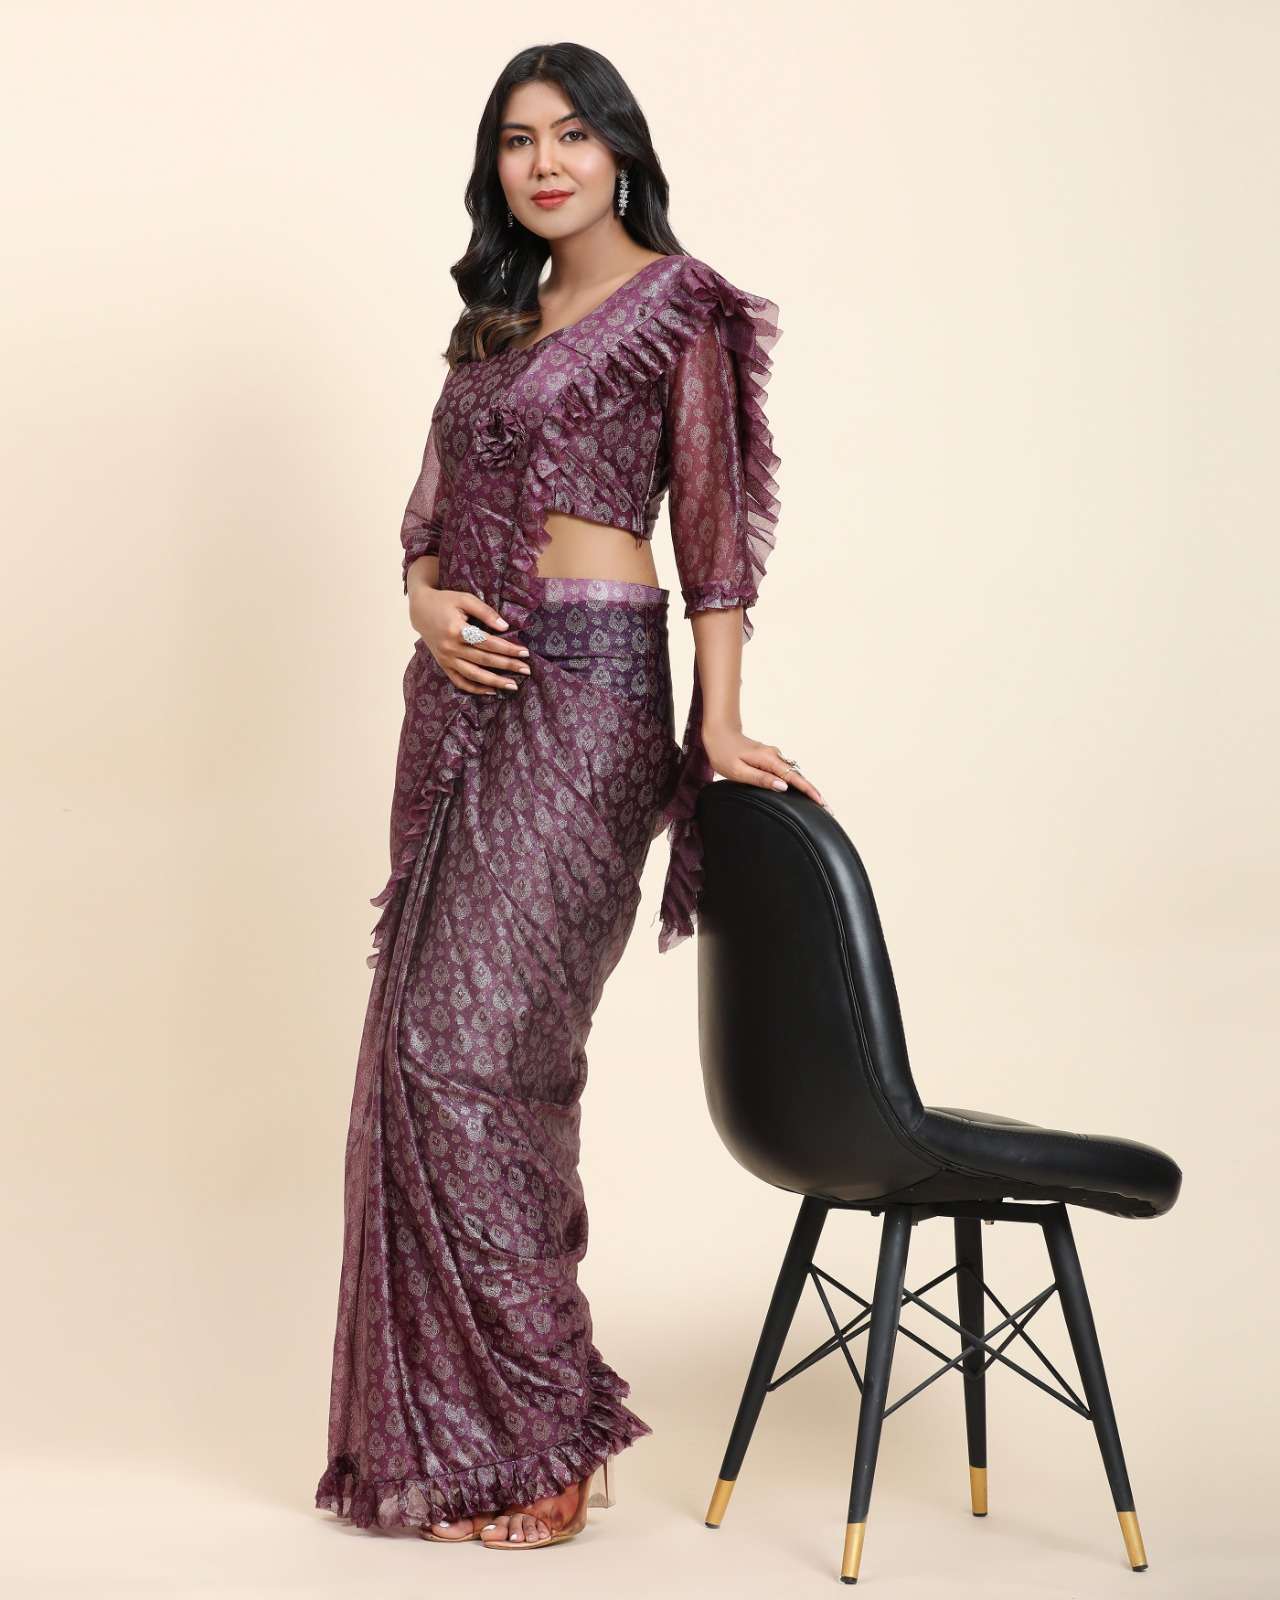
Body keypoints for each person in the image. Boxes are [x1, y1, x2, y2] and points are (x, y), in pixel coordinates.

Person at [314, 41, 825, 1553]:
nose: (546, 164)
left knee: (490, 1060)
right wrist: (426, 606)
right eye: (518, 141)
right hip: (458, 706)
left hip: (593, 695)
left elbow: (715, 537)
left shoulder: (682, 308)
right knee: (416, 1059)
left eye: (572, 136)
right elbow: (424, 526)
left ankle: (549, 1434)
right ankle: (472, 1440)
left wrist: (717, 724)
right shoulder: (492, 328)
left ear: (621, 152)